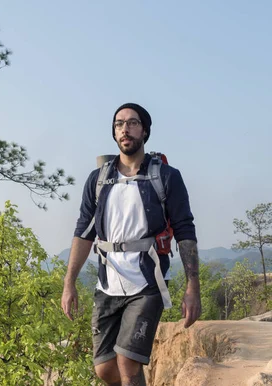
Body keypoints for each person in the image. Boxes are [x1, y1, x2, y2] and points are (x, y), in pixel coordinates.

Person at [60, 103, 201, 386]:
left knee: (128, 362)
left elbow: (185, 230)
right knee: (105, 369)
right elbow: (83, 232)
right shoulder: (98, 179)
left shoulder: (166, 176)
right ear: (114, 133)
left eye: (133, 123)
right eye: (119, 124)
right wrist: (69, 282)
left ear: (145, 131)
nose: (125, 128)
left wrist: (192, 288)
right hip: (107, 284)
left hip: (147, 283)